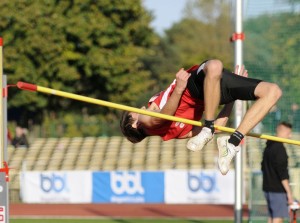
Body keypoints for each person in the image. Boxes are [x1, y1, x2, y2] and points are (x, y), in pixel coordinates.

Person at [120, 59, 282, 175]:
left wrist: (233, 94)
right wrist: (179, 90)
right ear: (134, 125)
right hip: (192, 88)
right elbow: (159, 119)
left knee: (273, 91)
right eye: (131, 112)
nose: (136, 109)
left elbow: (218, 128)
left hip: (212, 87)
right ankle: (208, 126)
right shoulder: (145, 119)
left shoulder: (174, 131)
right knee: (214, 65)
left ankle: (233, 141)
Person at [261, 122, 294, 223]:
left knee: (271, 217)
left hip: (267, 188)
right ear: (282, 131)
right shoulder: (279, 149)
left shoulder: (268, 147)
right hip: (277, 190)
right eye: (288, 133)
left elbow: (262, 166)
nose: (290, 136)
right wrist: (289, 193)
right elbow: (282, 173)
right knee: (277, 218)